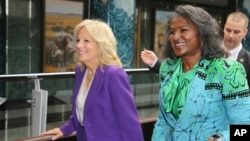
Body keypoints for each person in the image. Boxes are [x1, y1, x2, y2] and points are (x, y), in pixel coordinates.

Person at [142, 5, 250, 141]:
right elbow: (163, 122)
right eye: (172, 32)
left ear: (203, 34)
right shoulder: (168, 68)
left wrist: (221, 138)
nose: (176, 37)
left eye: (183, 30)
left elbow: (244, 129)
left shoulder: (227, 70)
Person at [42, 19, 144, 141]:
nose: (78, 45)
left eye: (86, 41)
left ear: (101, 44)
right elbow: (84, 112)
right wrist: (65, 129)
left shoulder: (114, 74)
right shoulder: (81, 71)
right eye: (78, 40)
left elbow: (129, 124)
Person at [141, 11, 250, 87]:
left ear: (245, 32)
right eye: (228, 30)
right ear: (224, 27)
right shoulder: (204, 50)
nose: (231, 35)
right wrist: (155, 63)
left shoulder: (248, 61)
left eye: (236, 32)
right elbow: (178, 72)